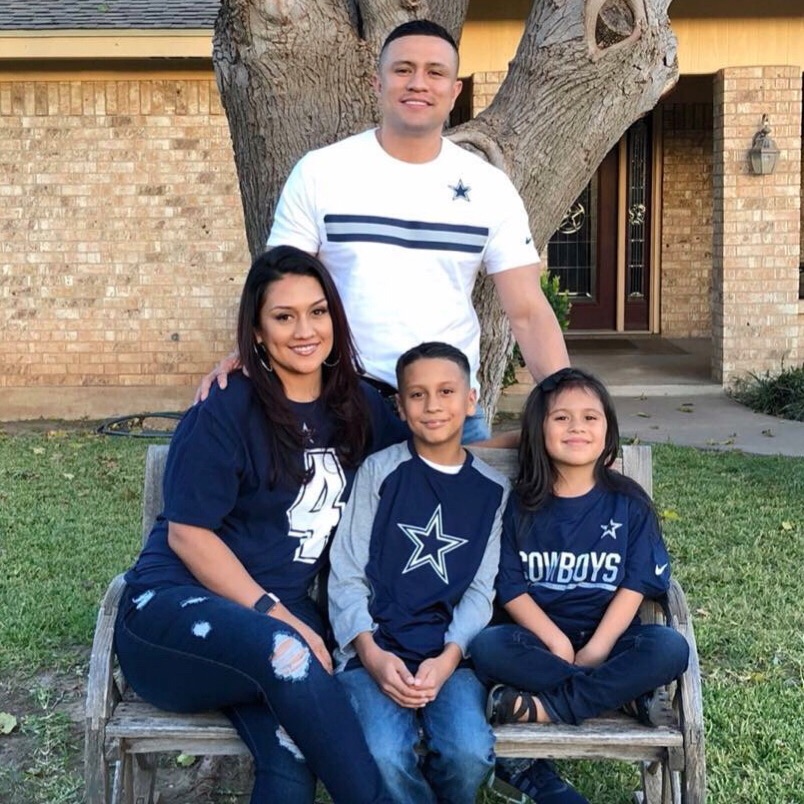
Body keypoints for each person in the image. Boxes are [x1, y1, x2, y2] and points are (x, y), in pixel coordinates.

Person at [114, 246, 408, 804]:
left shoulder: (359, 407)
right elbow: (188, 534)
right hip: (171, 614)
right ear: (256, 327)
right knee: (291, 655)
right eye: (284, 315)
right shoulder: (225, 408)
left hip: (267, 634)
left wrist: (544, 440)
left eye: (318, 312)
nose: (305, 329)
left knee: (289, 761)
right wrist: (275, 615)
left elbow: (433, 450)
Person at [200, 18, 570, 443]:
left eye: (435, 72)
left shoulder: (489, 188)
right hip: (339, 408)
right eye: (402, 69)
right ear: (377, 83)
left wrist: (568, 398)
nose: (418, 83)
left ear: (454, 91)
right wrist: (247, 352)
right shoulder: (321, 173)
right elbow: (278, 291)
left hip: (448, 417)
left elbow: (527, 311)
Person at [469, 367, 691, 803]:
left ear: (607, 431)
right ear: (539, 429)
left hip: (612, 637)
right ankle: (621, 697)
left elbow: (636, 584)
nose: (577, 427)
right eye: (562, 418)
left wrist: (598, 649)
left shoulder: (628, 503)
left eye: (590, 417)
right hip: (537, 643)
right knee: (487, 647)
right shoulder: (519, 506)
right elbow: (510, 587)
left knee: (670, 648)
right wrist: (556, 642)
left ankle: (548, 708)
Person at [328, 342, 510, 803]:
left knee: (468, 753)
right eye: (417, 395)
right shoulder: (379, 472)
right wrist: (369, 653)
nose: (433, 406)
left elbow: (479, 590)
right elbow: (346, 572)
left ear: (471, 400)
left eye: (446, 391)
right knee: (383, 754)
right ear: (401, 407)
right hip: (374, 652)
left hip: (451, 659)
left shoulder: (492, 490)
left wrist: (448, 659)